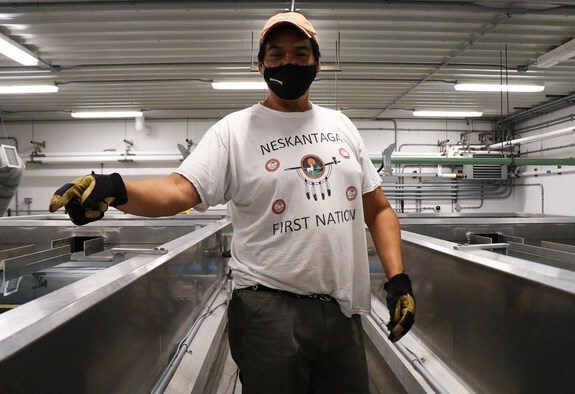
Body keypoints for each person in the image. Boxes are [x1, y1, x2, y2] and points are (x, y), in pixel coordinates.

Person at [49, 11, 415, 394]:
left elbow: (378, 210)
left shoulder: (342, 126)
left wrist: (398, 281)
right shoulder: (232, 131)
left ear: (317, 63)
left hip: (344, 310)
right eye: (276, 55)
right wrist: (115, 188)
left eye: (300, 53)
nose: (288, 63)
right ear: (260, 65)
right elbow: (179, 190)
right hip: (269, 309)